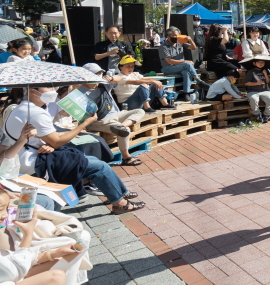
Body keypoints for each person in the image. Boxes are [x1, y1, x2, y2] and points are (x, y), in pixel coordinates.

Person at [3, 87, 144, 214]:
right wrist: (85, 123)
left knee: (91, 160)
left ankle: (118, 193)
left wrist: (63, 137)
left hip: (27, 157)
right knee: (97, 166)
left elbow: (50, 137)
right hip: (35, 164)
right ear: (33, 91)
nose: (54, 89)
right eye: (48, 87)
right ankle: (120, 203)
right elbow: (56, 142)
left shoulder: (19, 108)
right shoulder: (35, 113)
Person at [159, 27, 206, 102]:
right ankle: (198, 81)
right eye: (174, 35)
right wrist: (185, 61)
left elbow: (193, 48)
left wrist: (190, 40)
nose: (176, 37)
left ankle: (186, 93)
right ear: (168, 36)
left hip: (180, 67)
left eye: (177, 35)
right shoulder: (163, 46)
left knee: (186, 72)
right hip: (168, 68)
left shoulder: (179, 43)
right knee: (187, 64)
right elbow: (169, 61)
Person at [243, 56, 270, 122]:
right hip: (252, 91)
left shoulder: (265, 70)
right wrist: (256, 83)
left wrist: (266, 74)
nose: (261, 63)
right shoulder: (250, 72)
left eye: (262, 62)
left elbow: (267, 82)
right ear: (254, 63)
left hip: (265, 90)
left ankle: (266, 115)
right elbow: (246, 83)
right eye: (259, 62)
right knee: (253, 99)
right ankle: (257, 115)